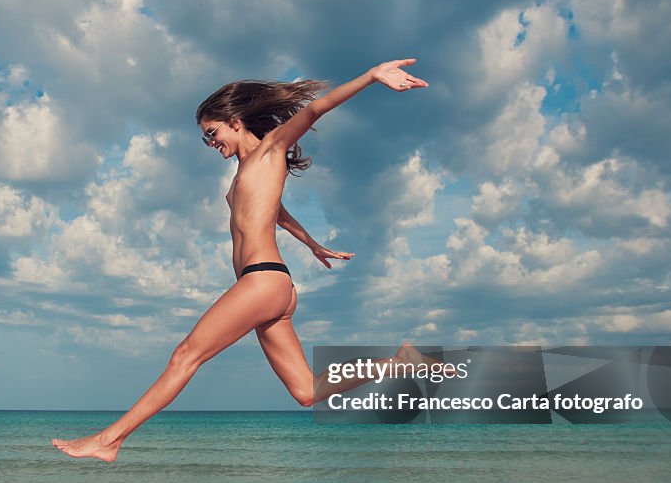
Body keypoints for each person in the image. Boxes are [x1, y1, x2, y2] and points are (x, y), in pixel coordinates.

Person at [52, 58, 429, 461]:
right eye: (205, 139)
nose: (211, 143)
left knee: (185, 355)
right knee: (306, 391)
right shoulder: (246, 171)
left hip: (262, 280)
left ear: (235, 120)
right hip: (273, 288)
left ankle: (110, 439)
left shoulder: (271, 149)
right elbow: (277, 213)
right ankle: (397, 362)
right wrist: (313, 244)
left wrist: (371, 76)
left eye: (212, 133)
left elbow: (315, 109)